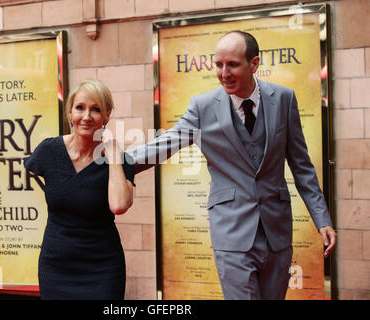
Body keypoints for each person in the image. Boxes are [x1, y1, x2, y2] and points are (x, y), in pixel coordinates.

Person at [128, 31, 336, 300]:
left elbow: (302, 165)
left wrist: (322, 219)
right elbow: (167, 143)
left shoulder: (284, 98)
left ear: (254, 63)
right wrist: (115, 164)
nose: (223, 73)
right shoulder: (202, 107)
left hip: (277, 231)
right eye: (219, 65)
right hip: (231, 232)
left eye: (232, 65)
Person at [24, 79, 135, 300]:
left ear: (107, 115)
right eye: (80, 108)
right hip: (56, 265)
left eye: (96, 110)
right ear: (70, 112)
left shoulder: (121, 160)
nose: (86, 116)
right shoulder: (49, 151)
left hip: (102, 269)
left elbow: (119, 205)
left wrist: (113, 156)